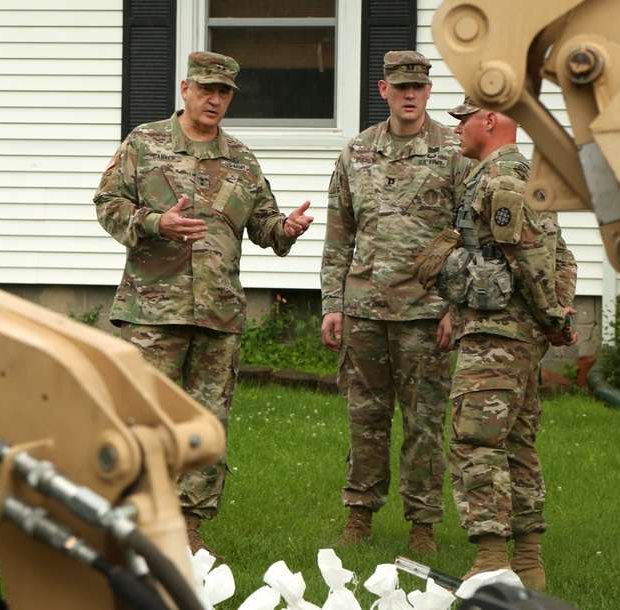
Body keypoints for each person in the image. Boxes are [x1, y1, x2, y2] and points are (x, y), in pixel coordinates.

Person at [94, 51, 313, 559]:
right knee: (142, 419)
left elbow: (265, 226)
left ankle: (189, 528)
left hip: (218, 313)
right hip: (152, 314)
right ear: (185, 89)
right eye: (207, 89)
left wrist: (287, 230)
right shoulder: (143, 145)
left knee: (206, 424)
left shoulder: (241, 159)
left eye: (225, 93)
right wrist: (154, 223)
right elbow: (107, 205)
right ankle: (133, 522)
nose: (215, 100)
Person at [320, 50, 474, 554]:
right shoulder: (357, 153)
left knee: (425, 425)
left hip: (426, 314)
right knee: (365, 419)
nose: (410, 95)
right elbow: (339, 235)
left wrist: (456, 307)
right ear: (384, 91)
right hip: (364, 309)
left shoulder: (455, 152)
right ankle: (359, 518)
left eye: (419, 87)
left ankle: (423, 526)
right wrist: (332, 303)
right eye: (400, 87)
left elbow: (472, 238)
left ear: (429, 92)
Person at [437, 95, 578, 585]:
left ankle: (493, 560)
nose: (456, 129)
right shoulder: (525, 175)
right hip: (515, 335)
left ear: (490, 121)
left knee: (476, 440)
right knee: (516, 441)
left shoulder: (503, 179)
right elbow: (564, 257)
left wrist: (552, 318)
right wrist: (553, 318)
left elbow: (534, 260)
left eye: (464, 120)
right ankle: (528, 564)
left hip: (498, 336)